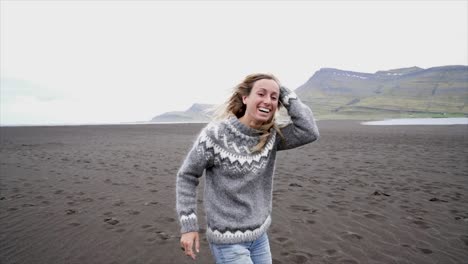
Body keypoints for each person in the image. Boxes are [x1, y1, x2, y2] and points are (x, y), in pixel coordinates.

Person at [176, 73, 319, 263]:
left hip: (259, 235)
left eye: (273, 97)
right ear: (245, 98)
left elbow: (309, 131)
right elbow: (187, 176)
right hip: (228, 241)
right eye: (261, 94)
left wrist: (285, 93)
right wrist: (189, 226)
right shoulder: (215, 135)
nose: (267, 101)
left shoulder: (271, 136)